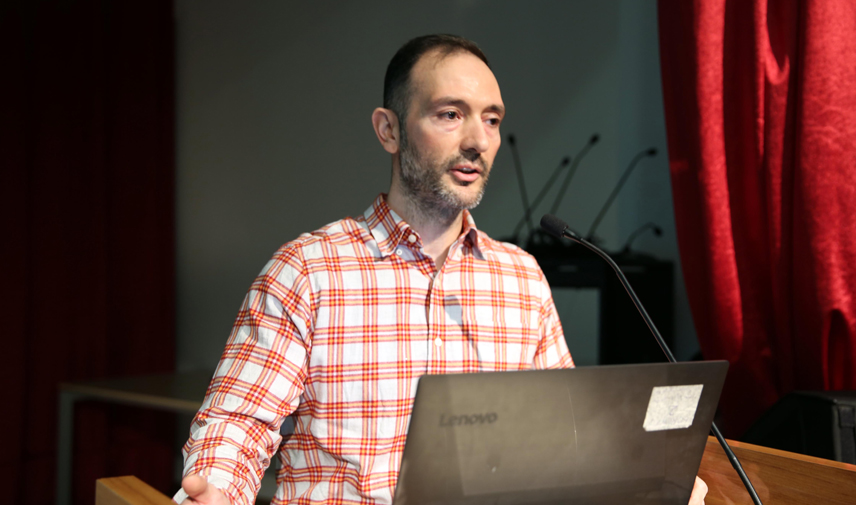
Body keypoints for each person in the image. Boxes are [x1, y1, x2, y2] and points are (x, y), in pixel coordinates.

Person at [175, 34, 708, 505]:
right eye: (450, 114)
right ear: (389, 130)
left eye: (491, 119)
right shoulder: (309, 271)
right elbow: (238, 424)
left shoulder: (521, 279)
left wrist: (648, 482)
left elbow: (564, 440)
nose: (478, 140)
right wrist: (217, 490)